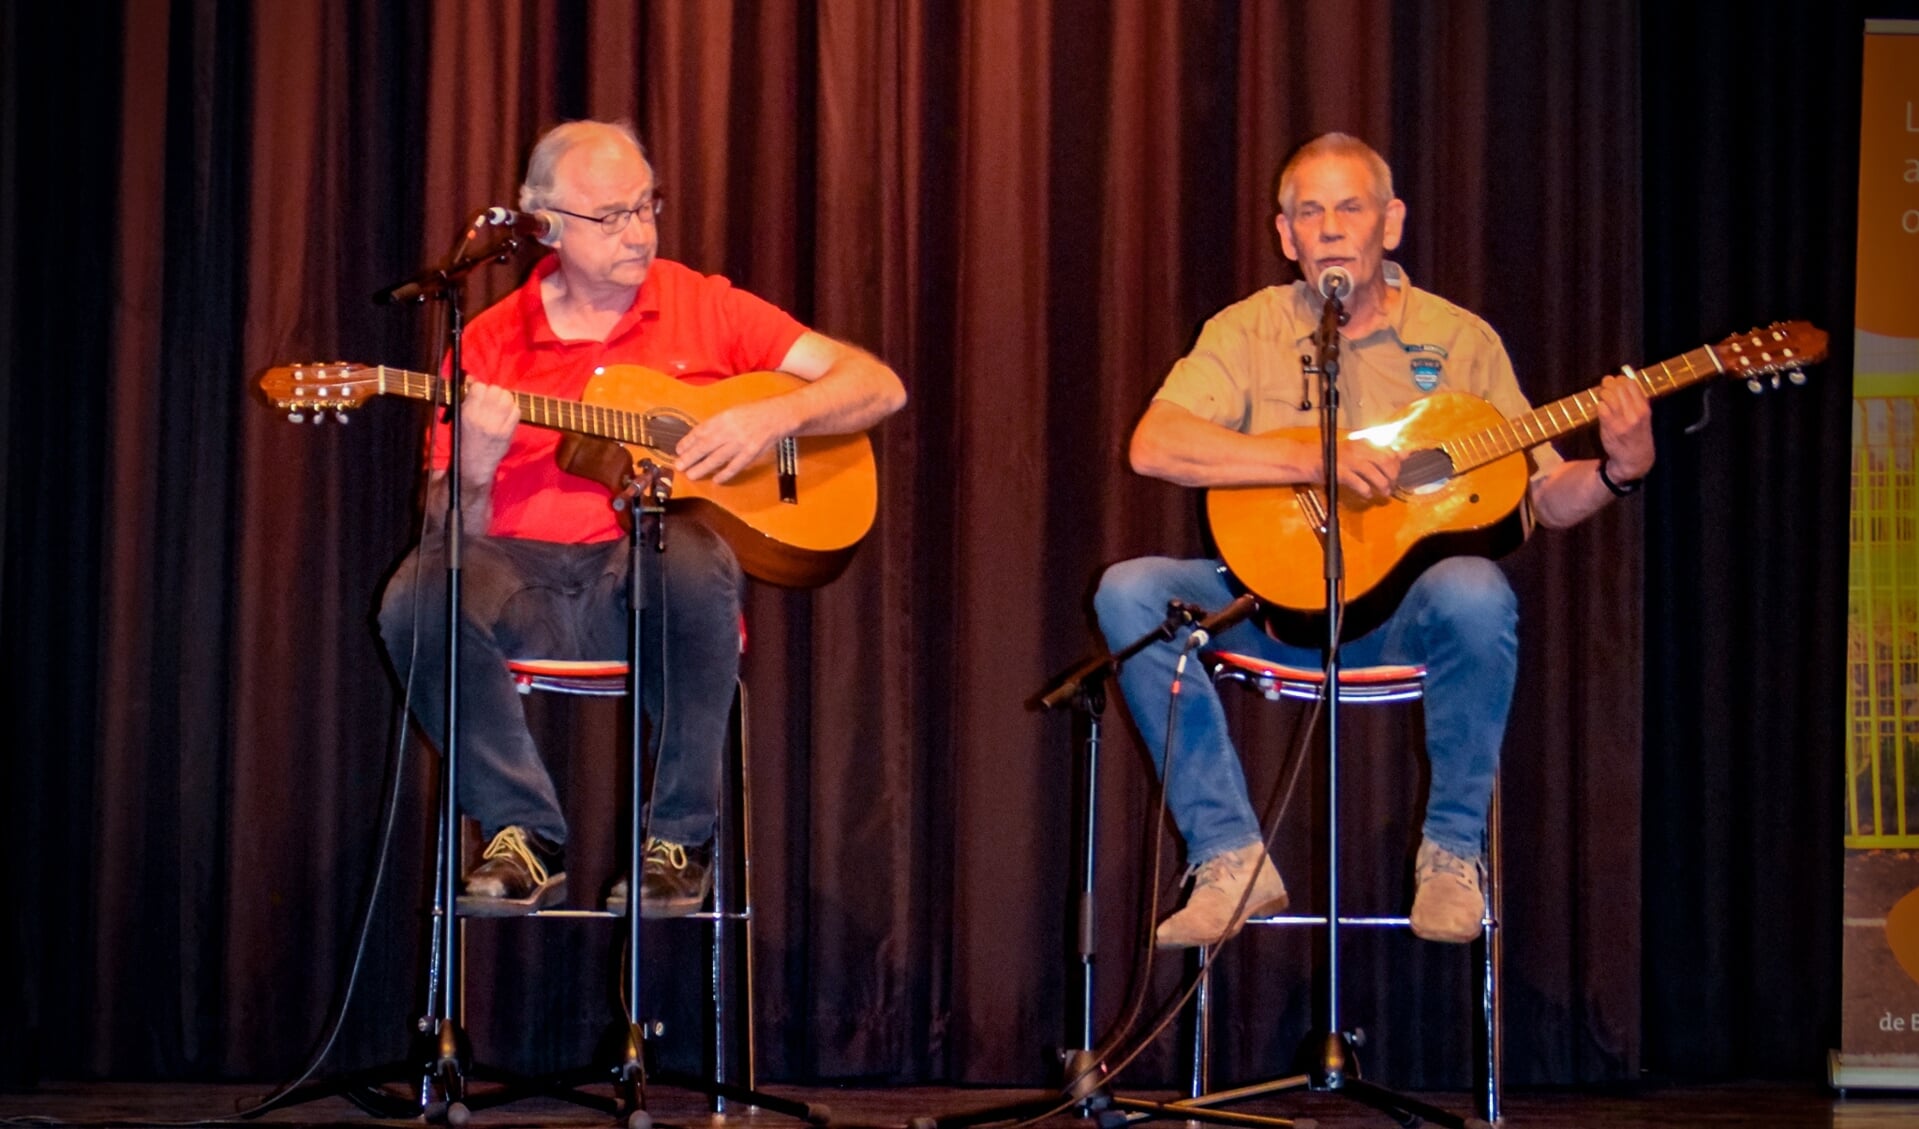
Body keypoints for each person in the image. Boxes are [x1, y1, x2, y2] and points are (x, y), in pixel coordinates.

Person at [1094, 133, 1653, 949]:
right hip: (1268, 606)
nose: (1327, 227)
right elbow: (1153, 446)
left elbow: (1546, 496)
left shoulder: (1460, 340)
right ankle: (1229, 856)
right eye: (1307, 212)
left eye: (1347, 207)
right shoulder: (1244, 329)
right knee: (1127, 589)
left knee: (1474, 586)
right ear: (1284, 236)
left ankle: (1454, 855)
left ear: (1388, 223)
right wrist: (1312, 460)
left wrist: (1617, 470)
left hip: (1400, 619)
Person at [380, 119, 906, 918]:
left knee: (686, 550)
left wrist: (771, 420)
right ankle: (523, 831)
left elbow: (877, 386)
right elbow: (456, 530)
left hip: (656, 588)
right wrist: (477, 465)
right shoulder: (485, 342)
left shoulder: (703, 304)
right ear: (545, 225)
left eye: (646, 205)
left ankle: (677, 840)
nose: (640, 231)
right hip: (523, 583)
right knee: (417, 594)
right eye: (613, 215)